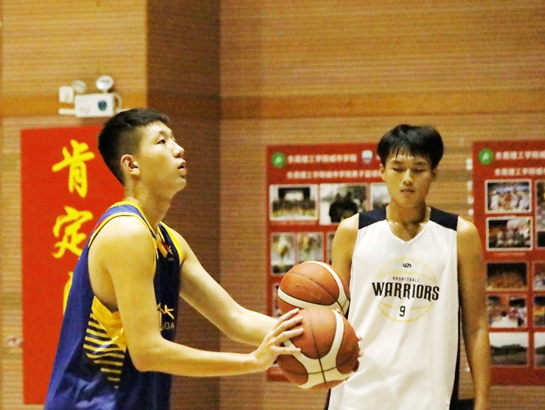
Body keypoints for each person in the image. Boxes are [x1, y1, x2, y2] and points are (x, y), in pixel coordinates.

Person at [44, 108, 303, 410]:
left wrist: (314, 335)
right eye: (162, 141)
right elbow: (147, 352)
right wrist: (252, 361)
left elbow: (235, 318)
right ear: (132, 165)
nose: (178, 149)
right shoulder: (126, 232)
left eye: (174, 140)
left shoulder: (169, 242)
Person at [326, 125, 491, 410]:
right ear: (382, 171)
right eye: (398, 168)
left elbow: (476, 326)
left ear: (434, 174)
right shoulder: (352, 231)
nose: (407, 178)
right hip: (356, 393)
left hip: (429, 395)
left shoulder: (460, 235)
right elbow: (334, 319)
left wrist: (483, 402)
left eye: (418, 169)